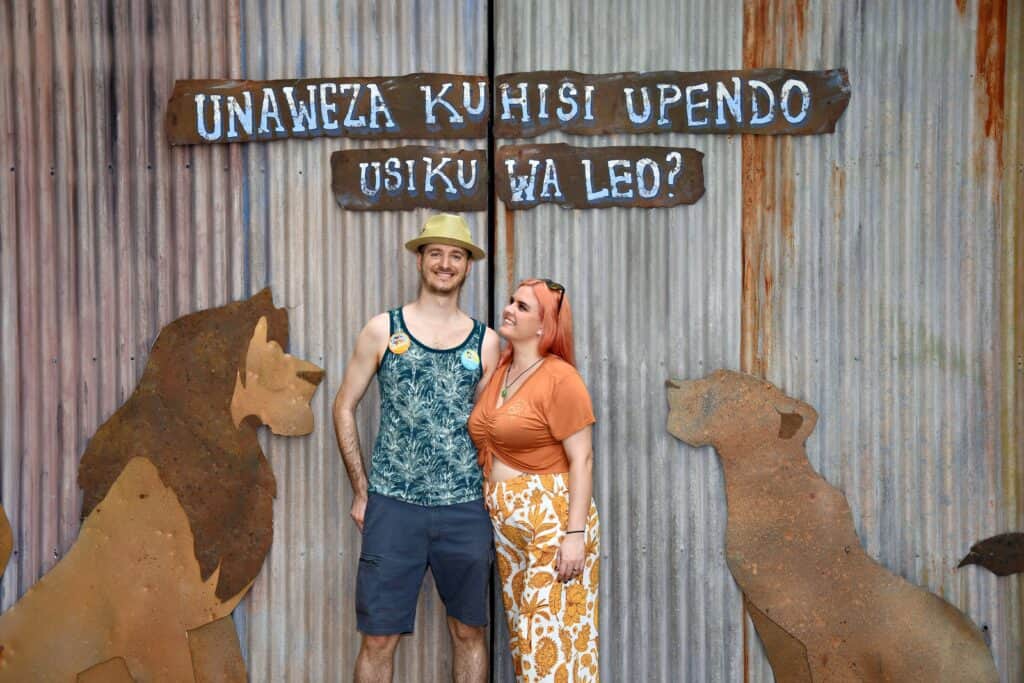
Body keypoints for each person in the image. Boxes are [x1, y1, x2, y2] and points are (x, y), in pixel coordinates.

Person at [333, 213, 500, 683]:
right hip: (393, 506)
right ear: (420, 259)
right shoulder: (383, 329)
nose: (445, 263)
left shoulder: (486, 343)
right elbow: (343, 406)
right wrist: (363, 491)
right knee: (378, 638)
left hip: (465, 507)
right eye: (436, 253)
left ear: (468, 266)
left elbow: (492, 431)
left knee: (469, 631)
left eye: (456, 255)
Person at [468, 279, 600, 682]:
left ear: (545, 326)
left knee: (550, 643)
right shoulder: (503, 371)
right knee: (526, 643)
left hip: (551, 517)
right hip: (508, 523)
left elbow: (583, 458)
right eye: (511, 302)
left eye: (522, 307)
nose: (509, 309)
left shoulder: (561, 378)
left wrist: (574, 534)